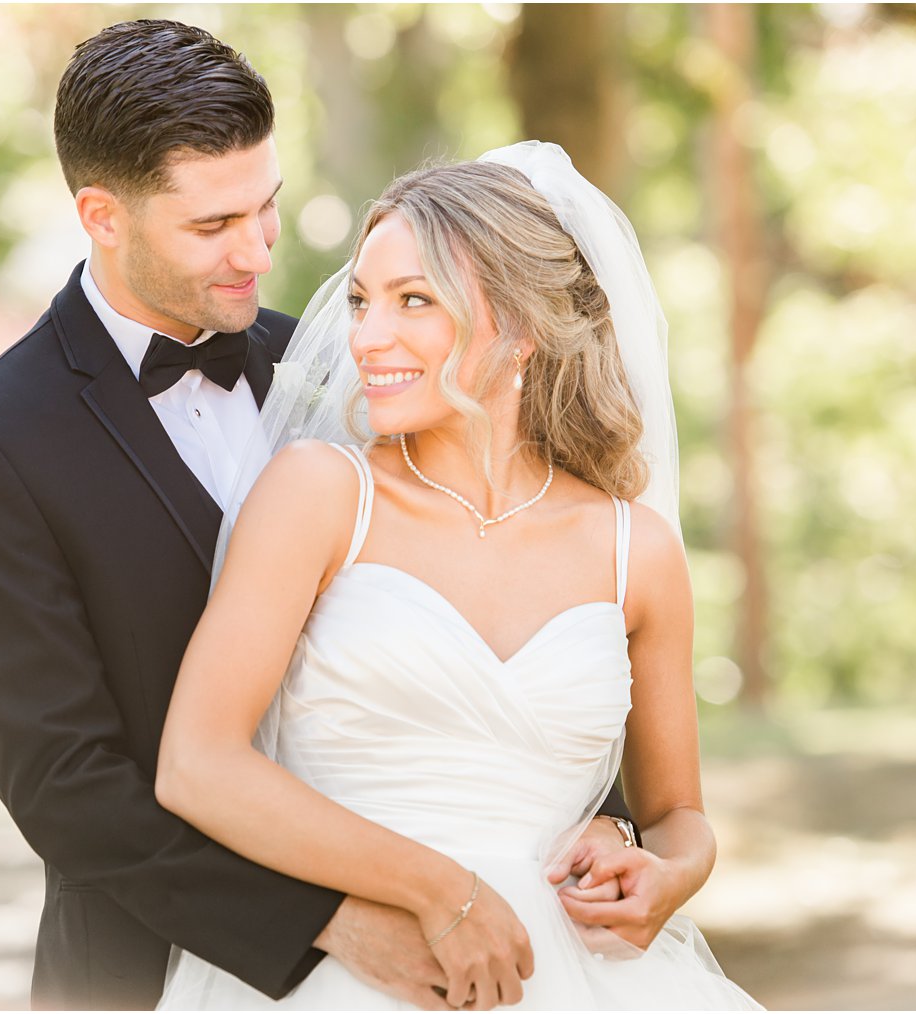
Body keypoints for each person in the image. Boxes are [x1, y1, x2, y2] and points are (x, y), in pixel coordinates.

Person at [0, 20, 637, 1010]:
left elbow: (512, 565)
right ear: (101, 215)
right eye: (213, 227)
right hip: (145, 971)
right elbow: (66, 789)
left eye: (268, 209)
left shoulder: (354, 372)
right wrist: (334, 924)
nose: (256, 252)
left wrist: (613, 818)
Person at [152, 144, 762, 1009]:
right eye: (362, 300)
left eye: (414, 302)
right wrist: (442, 890)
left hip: (574, 976)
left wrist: (666, 874)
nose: (367, 336)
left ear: (520, 329)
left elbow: (676, 815)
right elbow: (198, 764)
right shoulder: (322, 494)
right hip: (355, 967)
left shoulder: (638, 551)